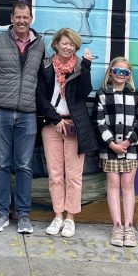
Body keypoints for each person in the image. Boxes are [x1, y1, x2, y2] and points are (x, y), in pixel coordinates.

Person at [0, 0, 45, 234]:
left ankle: (24, 215)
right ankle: (1, 213)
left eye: (25, 17)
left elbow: (40, 80)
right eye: (18, 17)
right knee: (2, 164)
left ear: (31, 18)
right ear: (12, 18)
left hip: (28, 114)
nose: (21, 21)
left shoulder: (39, 44)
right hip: (2, 112)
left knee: (24, 166)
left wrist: (39, 109)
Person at [37, 28, 94, 238]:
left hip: (74, 126)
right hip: (51, 125)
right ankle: (58, 215)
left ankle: (70, 218)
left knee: (73, 175)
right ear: (56, 44)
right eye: (65, 43)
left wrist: (86, 67)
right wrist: (55, 118)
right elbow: (40, 96)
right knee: (54, 174)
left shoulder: (79, 66)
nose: (68, 47)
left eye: (72, 44)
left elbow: (83, 93)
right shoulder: (45, 65)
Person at [94, 57, 138, 247]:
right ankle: (117, 226)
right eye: (117, 70)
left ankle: (129, 226)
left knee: (127, 183)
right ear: (111, 72)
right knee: (113, 183)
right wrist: (111, 143)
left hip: (131, 148)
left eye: (125, 72)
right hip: (109, 148)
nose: (121, 75)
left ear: (129, 75)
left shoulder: (135, 96)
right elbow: (99, 122)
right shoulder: (102, 95)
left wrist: (128, 141)